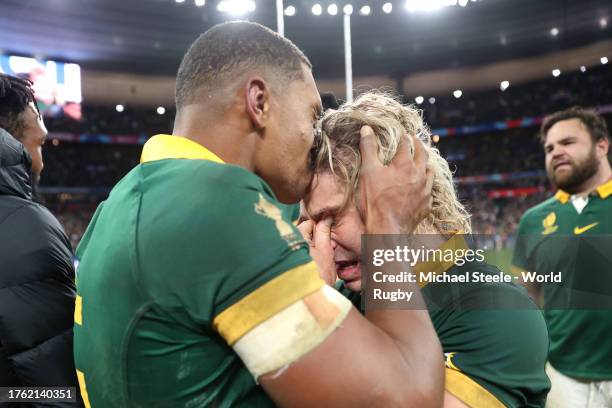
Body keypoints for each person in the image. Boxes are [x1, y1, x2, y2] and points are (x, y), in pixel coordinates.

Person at [73, 21, 444, 407]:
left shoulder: (118, 203)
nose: (317, 135)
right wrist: (388, 223)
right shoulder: (218, 203)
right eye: (312, 114)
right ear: (259, 102)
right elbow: (408, 398)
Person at [301, 92, 551, 407]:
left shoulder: (499, 310)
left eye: (331, 219)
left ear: (396, 198)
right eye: (311, 226)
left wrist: (314, 316)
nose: (319, 244)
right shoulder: (350, 297)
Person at [512, 107, 612, 407]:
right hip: (562, 378)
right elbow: (526, 296)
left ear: (602, 145)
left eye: (568, 143)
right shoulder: (533, 220)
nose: (556, 152)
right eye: (549, 148)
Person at [0, 74, 82, 406]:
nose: (42, 161)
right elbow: (53, 386)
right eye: (39, 144)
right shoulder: (26, 225)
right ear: (13, 144)